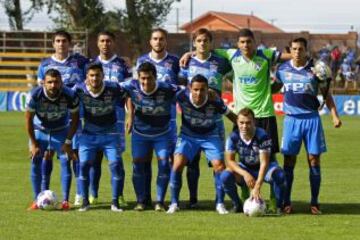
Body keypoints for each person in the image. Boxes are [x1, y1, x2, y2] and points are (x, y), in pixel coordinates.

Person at [274, 37, 342, 214]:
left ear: (306, 50)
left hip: (312, 119)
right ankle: (287, 202)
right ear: (291, 50)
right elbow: (274, 87)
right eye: (294, 49)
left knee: (314, 160)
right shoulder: (282, 69)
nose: (297, 52)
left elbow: (326, 94)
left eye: (300, 49)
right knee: (289, 160)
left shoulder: (316, 70)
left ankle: (314, 202)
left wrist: (334, 115)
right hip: (291, 120)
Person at [167, 74, 237, 214]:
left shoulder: (215, 100)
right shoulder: (181, 96)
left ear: (207, 89)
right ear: (190, 89)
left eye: (202, 89)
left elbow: (231, 115)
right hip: (188, 136)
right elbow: (164, 92)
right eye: (196, 89)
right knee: (177, 163)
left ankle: (220, 204)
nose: (199, 93)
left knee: (219, 166)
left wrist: (248, 128)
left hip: (210, 136)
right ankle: (174, 203)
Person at [179, 28, 232, 208]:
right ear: (195, 43)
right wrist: (189, 54)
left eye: (206, 41)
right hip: (192, 119)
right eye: (199, 41)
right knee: (192, 162)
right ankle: (193, 199)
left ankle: (219, 201)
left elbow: (236, 73)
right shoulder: (187, 63)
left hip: (215, 119)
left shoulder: (221, 62)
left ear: (211, 43)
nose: (202, 44)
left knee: (217, 163)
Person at [37, 30, 89, 206]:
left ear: (70, 43)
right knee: (48, 154)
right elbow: (41, 92)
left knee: (74, 154)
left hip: (74, 116)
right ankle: (43, 193)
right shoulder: (45, 65)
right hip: (53, 119)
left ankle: (79, 194)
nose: (61, 44)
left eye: (64, 41)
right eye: (58, 41)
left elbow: (92, 77)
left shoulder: (81, 62)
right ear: (53, 44)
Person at [121, 62, 180, 211]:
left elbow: (188, 92)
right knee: (138, 166)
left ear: (155, 77)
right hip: (140, 134)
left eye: (149, 78)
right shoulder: (131, 85)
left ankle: (159, 201)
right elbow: (111, 87)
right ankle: (141, 201)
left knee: (164, 164)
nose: (146, 82)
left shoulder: (167, 88)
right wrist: (130, 115)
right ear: (138, 78)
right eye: (143, 79)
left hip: (163, 134)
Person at [87, 31, 133, 206]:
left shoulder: (123, 64)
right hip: (94, 115)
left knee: (116, 157)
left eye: (108, 41)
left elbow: (129, 91)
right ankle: (93, 193)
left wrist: (130, 113)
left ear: (113, 43)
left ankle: (119, 194)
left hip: (117, 115)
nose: (105, 44)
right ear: (98, 44)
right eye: (102, 41)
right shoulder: (91, 64)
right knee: (95, 157)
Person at [136, 28, 180, 206]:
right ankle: (144, 198)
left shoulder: (175, 61)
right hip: (145, 119)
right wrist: (131, 115)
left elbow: (182, 84)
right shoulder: (141, 61)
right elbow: (135, 89)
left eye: (161, 39)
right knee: (143, 160)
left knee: (166, 160)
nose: (158, 42)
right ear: (150, 41)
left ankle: (163, 199)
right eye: (155, 39)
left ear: (166, 41)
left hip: (168, 119)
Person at [73, 63, 127, 212]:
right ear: (86, 77)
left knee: (115, 165)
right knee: (83, 166)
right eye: (91, 75)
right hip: (88, 135)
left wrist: (131, 116)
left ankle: (115, 202)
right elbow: (64, 95)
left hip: (110, 134)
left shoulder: (114, 88)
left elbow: (129, 94)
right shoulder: (78, 89)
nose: (95, 78)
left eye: (97, 75)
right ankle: (85, 201)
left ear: (103, 76)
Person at [25, 69, 79, 210]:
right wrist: (34, 144)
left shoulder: (70, 95)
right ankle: (37, 200)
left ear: (61, 82)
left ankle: (65, 201)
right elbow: (28, 121)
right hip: (39, 130)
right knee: (35, 161)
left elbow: (75, 120)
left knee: (65, 162)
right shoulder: (35, 95)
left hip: (61, 131)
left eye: (56, 82)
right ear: (43, 82)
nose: (53, 85)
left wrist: (68, 142)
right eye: (50, 82)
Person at [221, 108, 286, 214]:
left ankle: (277, 205)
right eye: (241, 123)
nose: (244, 126)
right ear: (237, 122)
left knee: (280, 175)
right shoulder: (233, 137)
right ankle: (238, 204)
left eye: (248, 123)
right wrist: (245, 174)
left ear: (254, 122)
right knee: (225, 176)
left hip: (265, 168)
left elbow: (264, 163)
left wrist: (257, 186)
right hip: (245, 167)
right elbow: (230, 161)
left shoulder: (262, 135)